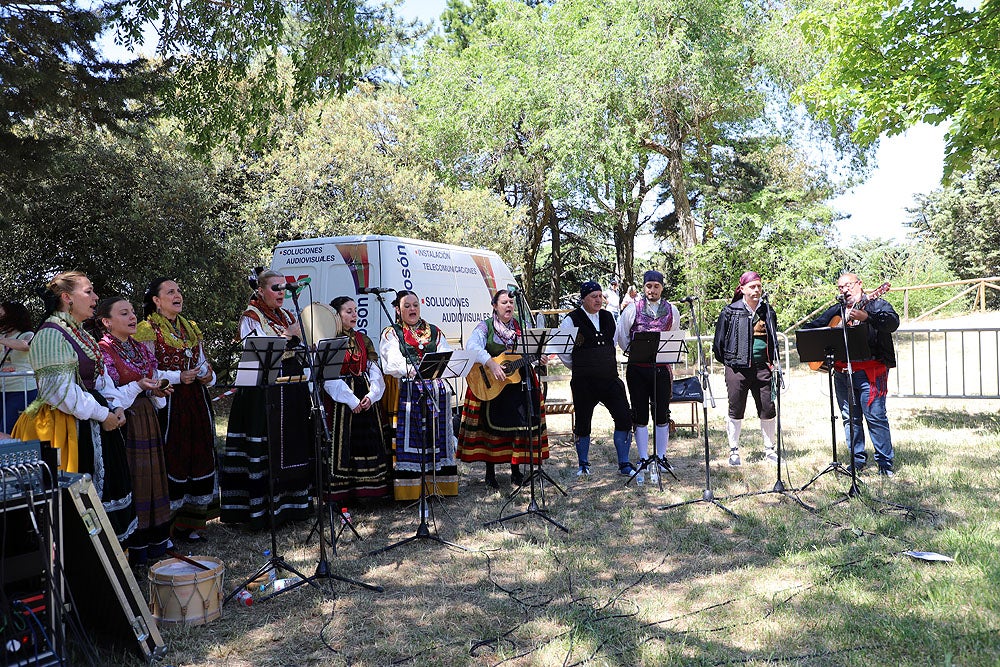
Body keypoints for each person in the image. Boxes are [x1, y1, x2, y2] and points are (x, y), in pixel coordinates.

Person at [12, 272, 136, 541]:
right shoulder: (50, 334)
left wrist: (114, 406)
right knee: (71, 500)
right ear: (67, 298)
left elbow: (98, 381)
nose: (95, 297)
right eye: (88, 292)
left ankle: (107, 564)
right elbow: (59, 392)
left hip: (91, 420)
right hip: (60, 426)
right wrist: (103, 413)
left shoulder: (78, 333)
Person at [220, 269, 313, 529]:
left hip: (290, 385)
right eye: (275, 287)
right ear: (260, 290)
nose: (281, 292)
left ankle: (293, 507)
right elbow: (259, 352)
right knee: (266, 443)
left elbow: (297, 347)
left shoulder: (286, 314)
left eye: (283, 287)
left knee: (290, 443)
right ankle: (262, 511)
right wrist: (288, 335)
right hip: (263, 388)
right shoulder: (251, 317)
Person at [135, 278, 217, 542]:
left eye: (179, 291)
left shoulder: (189, 327)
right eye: (170, 292)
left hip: (196, 401)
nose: (177, 295)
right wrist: (177, 376)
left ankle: (191, 523)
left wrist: (207, 376)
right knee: (173, 456)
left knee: (199, 452)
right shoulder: (146, 329)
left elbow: (202, 361)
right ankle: (165, 527)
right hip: (168, 401)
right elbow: (146, 370)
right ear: (156, 301)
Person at [95, 297, 174, 565]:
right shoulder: (103, 351)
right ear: (106, 322)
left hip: (147, 418)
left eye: (132, 313)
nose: (132, 318)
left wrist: (157, 390)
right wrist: (140, 387)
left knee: (152, 479)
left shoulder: (140, 348)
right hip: (124, 422)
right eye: (124, 313)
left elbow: (150, 382)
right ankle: (135, 547)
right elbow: (110, 396)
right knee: (135, 480)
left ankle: (155, 542)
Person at [802, 273, 899, 476]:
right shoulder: (837, 310)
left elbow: (892, 323)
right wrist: (829, 331)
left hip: (870, 372)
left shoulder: (876, 304)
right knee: (850, 418)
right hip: (842, 373)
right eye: (840, 287)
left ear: (860, 284)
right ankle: (856, 461)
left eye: (848, 285)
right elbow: (811, 328)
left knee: (875, 417)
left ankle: (885, 465)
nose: (845, 290)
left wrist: (868, 318)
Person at [457, 289, 547, 489]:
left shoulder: (521, 327)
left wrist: (537, 357)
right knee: (491, 429)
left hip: (517, 384)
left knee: (518, 427)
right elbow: (472, 347)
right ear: (494, 306)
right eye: (504, 302)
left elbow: (529, 353)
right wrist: (491, 363)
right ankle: (490, 474)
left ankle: (516, 472)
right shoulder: (485, 327)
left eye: (511, 303)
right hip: (493, 385)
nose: (509, 306)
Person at [379, 290, 457, 500]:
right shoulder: (391, 332)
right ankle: (410, 490)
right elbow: (391, 361)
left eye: (415, 305)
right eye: (407, 306)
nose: (412, 309)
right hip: (407, 390)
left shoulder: (434, 331)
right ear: (397, 309)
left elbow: (444, 353)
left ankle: (438, 486)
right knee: (411, 438)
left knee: (436, 437)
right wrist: (411, 368)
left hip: (435, 390)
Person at [558, 280, 633, 476]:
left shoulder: (609, 317)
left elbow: (615, 343)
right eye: (594, 296)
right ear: (583, 299)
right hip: (584, 382)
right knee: (583, 423)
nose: (598, 300)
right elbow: (564, 353)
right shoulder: (570, 320)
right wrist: (583, 366)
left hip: (609, 379)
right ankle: (583, 464)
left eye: (600, 296)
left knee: (625, 417)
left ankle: (624, 464)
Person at [321, 296, 390, 502]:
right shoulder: (328, 339)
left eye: (355, 310)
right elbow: (327, 376)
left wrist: (372, 395)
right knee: (342, 446)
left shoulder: (362, 339)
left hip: (363, 396)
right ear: (336, 315)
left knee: (366, 442)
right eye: (348, 311)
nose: (354, 315)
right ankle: (341, 495)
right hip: (340, 400)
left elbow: (373, 370)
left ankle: (369, 492)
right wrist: (350, 400)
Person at [614, 270, 681, 482]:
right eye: (649, 286)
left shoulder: (672, 310)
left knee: (662, 413)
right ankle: (643, 458)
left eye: (656, 286)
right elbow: (623, 337)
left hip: (661, 369)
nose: (652, 290)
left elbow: (673, 335)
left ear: (662, 287)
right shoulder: (633, 309)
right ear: (644, 287)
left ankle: (661, 457)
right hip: (638, 368)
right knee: (640, 414)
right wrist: (636, 353)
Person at [711, 271, 779, 467]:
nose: (756, 290)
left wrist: (771, 361)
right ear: (742, 289)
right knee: (736, 409)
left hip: (763, 367)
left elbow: (773, 340)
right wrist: (732, 362)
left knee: (768, 408)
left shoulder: (767, 311)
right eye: (752, 286)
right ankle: (733, 451)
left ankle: (770, 449)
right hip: (737, 369)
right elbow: (718, 344)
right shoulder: (730, 311)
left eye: (759, 286)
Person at [0, 301, 38, 434]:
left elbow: (25, 345)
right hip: (3, 389)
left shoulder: (27, 334)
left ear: (12, 315)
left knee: (8, 430)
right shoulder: (2, 336)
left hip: (22, 391)